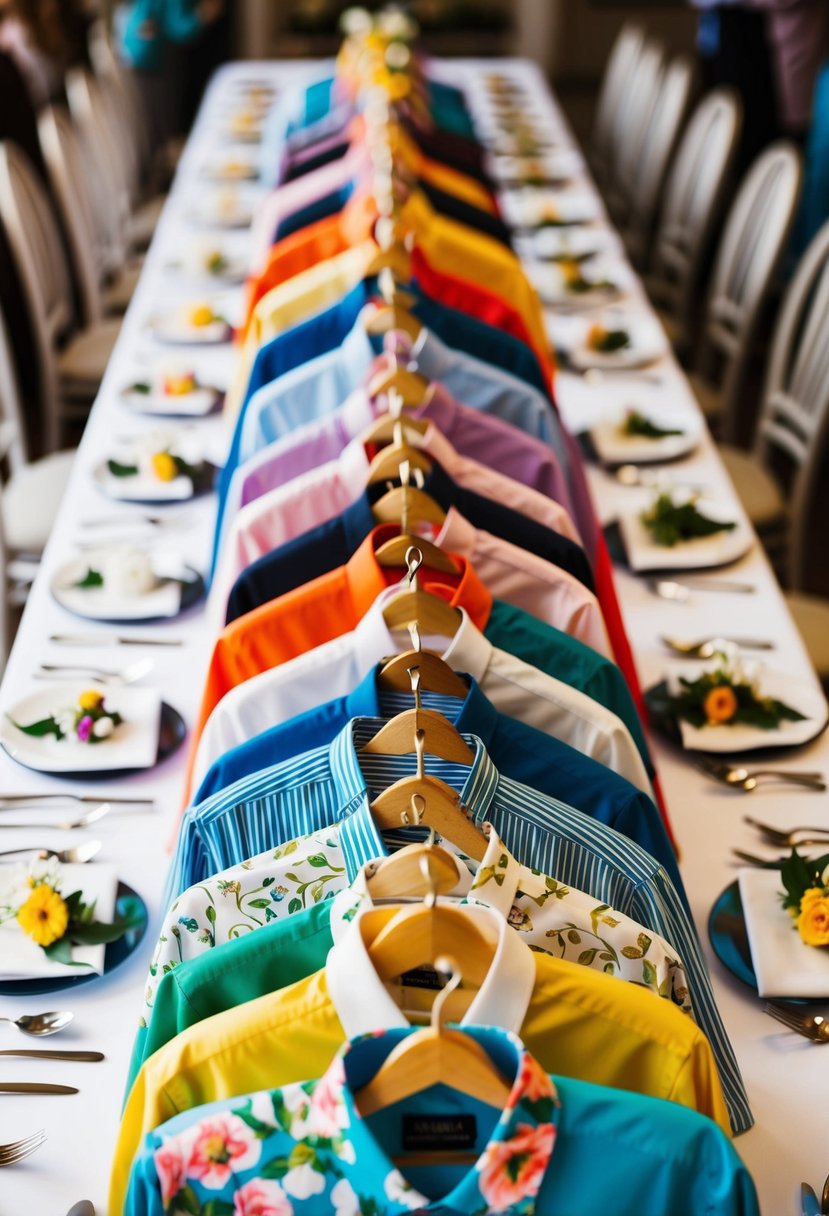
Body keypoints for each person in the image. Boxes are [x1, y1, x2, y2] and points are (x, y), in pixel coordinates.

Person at [118, 0, 224, 149]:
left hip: (133, 46)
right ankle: (161, 159)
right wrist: (203, 14)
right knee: (158, 122)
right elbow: (179, 29)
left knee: (149, 119)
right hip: (147, 54)